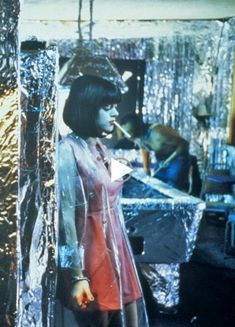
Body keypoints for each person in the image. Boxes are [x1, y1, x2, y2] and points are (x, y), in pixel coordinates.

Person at [57, 75, 148, 327]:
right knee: (98, 318)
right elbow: (64, 220)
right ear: (86, 109)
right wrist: (76, 275)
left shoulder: (97, 146)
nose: (116, 114)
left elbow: (105, 177)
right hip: (91, 251)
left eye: (115, 107)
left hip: (114, 245)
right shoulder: (67, 150)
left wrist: (126, 167)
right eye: (107, 108)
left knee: (126, 316)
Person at [144, 124, 202, 196]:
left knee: (171, 187)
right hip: (166, 162)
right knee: (157, 186)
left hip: (176, 160)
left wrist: (168, 160)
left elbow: (184, 144)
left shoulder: (160, 137)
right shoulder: (150, 141)